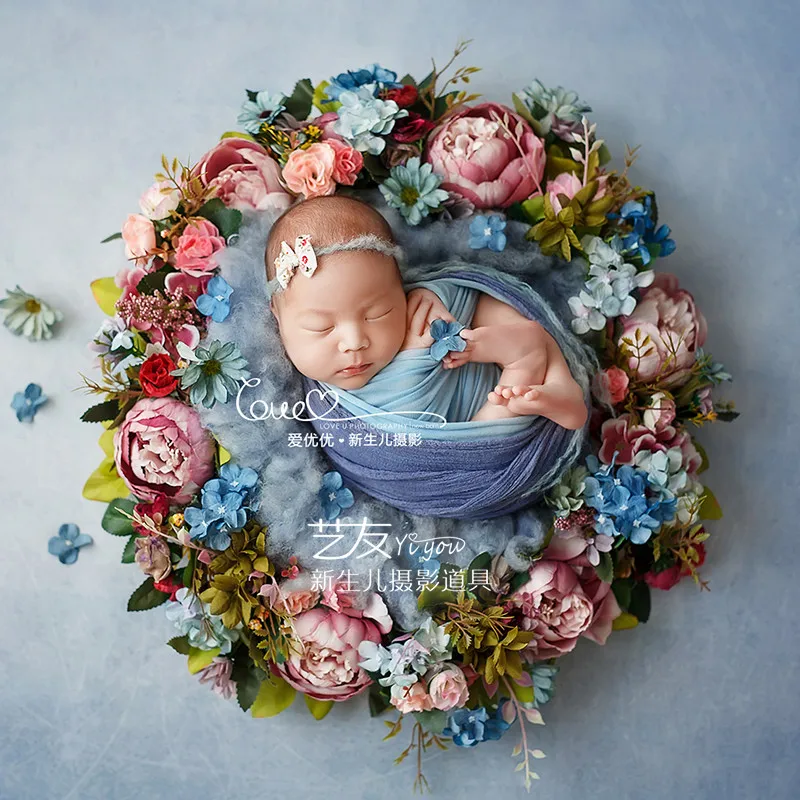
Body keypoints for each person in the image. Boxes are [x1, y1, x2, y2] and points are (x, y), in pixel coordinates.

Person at [264, 194, 587, 431]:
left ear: (399, 289)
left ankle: (553, 375)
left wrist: (432, 296)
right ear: (278, 319)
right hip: (481, 424)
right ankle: (527, 365)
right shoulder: (316, 408)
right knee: (494, 423)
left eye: (377, 313)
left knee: (485, 304)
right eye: (321, 327)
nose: (354, 341)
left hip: (491, 352)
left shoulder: (417, 310)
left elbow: (458, 294)